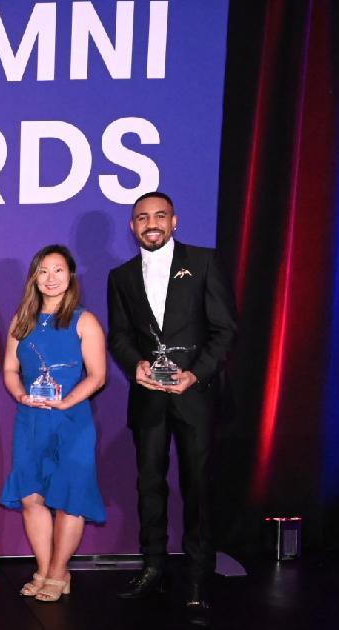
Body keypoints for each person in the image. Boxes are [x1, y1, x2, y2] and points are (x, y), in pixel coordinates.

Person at [107, 192, 238, 617]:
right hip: (148, 399)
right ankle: (154, 567)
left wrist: (195, 374)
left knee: (198, 486)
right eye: (142, 217)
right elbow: (120, 336)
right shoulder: (121, 276)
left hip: (195, 397)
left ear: (174, 221)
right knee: (149, 486)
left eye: (159, 216)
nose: (151, 224)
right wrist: (135, 365)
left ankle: (198, 573)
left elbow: (224, 329)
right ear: (132, 227)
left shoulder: (203, 262)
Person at [0, 245, 107, 603]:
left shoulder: (84, 320)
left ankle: (60, 573)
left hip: (72, 421)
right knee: (31, 497)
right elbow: (11, 370)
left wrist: (67, 402)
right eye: (43, 271)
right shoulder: (21, 321)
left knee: (70, 499)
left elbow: (97, 376)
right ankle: (45, 568)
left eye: (58, 270)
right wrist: (19, 395)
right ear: (34, 277)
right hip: (31, 420)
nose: (50, 278)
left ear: (70, 276)